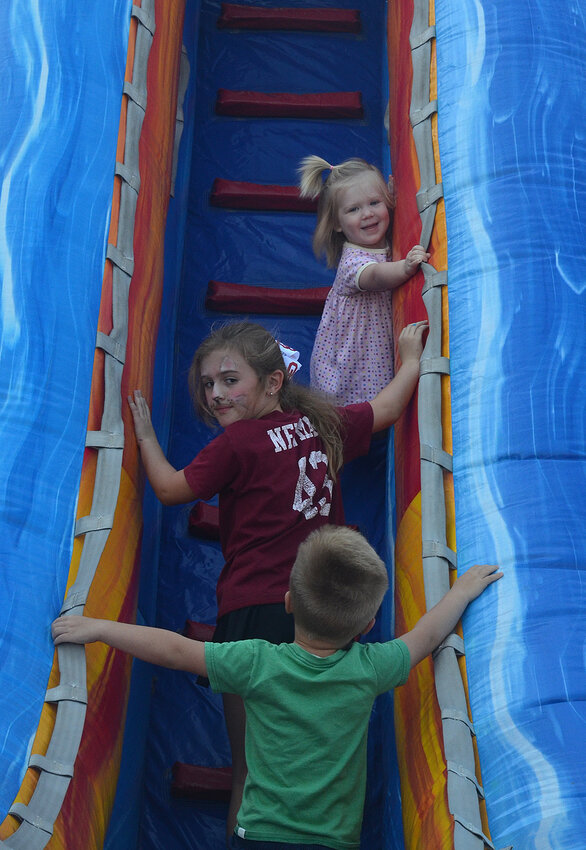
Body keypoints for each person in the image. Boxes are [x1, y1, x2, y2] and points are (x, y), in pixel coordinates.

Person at [126, 319, 427, 839]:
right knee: (323, 748)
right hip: (324, 611)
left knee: (250, 769)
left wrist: (147, 437)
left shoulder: (237, 444)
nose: (216, 394)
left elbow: (172, 490)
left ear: (272, 381)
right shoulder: (322, 422)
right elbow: (388, 408)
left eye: (229, 380)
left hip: (253, 609)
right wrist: (412, 362)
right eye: (207, 384)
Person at [52, 525, 502, 850]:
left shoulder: (255, 662)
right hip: (332, 842)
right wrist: (460, 592)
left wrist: (101, 628)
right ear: (367, 625)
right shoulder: (372, 667)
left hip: (258, 836)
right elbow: (425, 635)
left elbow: (173, 649)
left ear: (287, 603)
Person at [298, 155, 430, 405]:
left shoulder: (383, 240)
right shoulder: (352, 261)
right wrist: (406, 267)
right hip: (347, 377)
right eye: (353, 209)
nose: (367, 214)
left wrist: (394, 194)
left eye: (374, 202)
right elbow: (375, 275)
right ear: (337, 223)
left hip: (368, 365)